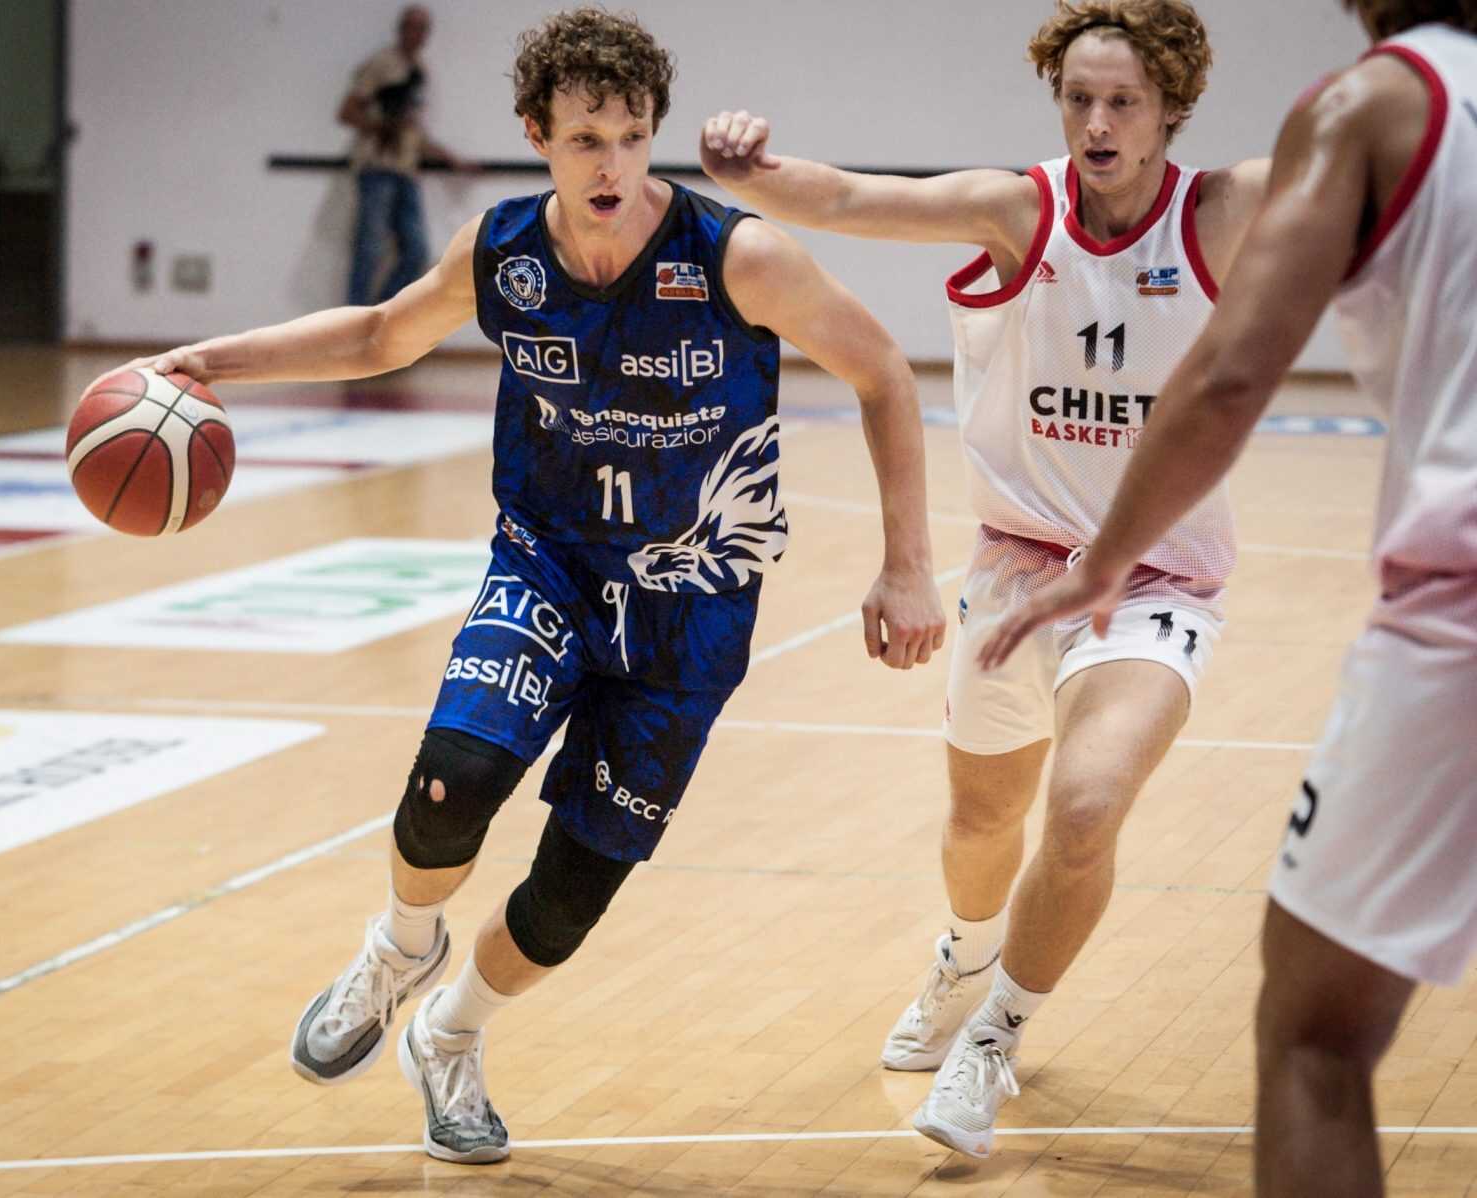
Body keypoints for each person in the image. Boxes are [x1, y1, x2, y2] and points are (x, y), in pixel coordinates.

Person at [124, 7, 945, 1165]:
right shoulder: (502, 250)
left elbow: (884, 372)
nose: (611, 165)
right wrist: (209, 361)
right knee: (451, 782)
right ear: (536, 137)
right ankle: (400, 946)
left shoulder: (736, 257)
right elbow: (377, 335)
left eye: (631, 137)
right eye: (583, 140)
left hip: (692, 601)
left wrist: (907, 564)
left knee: (569, 892)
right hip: (548, 561)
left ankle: (451, 1036)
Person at [700, 0, 1274, 1158]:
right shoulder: (1019, 210)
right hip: (1015, 573)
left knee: (1086, 805)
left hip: (1152, 585)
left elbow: (1383, 169)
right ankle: (964, 958)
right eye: (1079, 99)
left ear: (1171, 107)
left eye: (1123, 102)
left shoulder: (1223, 209)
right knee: (981, 821)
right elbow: (849, 200)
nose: (1097, 123)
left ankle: (996, 1034)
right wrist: (749, 169)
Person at [980, 3, 1477, 1193]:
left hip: (1457, 605)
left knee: (1314, 1039)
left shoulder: (1374, 103)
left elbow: (1234, 372)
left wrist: (1108, 556)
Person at [338, 5, 467, 306]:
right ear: (401, 29)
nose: (416, 34)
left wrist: (450, 159)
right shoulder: (382, 64)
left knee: (417, 251)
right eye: (411, 27)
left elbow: (414, 131)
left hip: (406, 169)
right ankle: (352, 321)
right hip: (378, 166)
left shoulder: (419, 72)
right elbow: (347, 111)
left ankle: (381, 315)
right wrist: (382, 127)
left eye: (422, 29)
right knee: (369, 249)